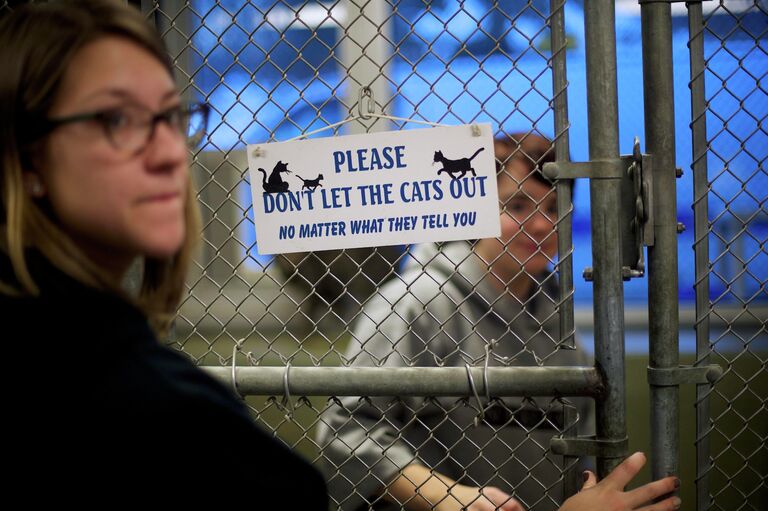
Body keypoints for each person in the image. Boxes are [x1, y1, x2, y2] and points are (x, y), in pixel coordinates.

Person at [0, 0, 327, 505]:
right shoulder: (161, 418)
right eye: (119, 119)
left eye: (171, 116)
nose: (173, 152)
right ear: (25, 156)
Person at [316, 133, 679, 511]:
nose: (541, 225)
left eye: (555, 208)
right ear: (477, 211)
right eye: (518, 205)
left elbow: (579, 438)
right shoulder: (414, 301)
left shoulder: (556, 314)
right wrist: (449, 498)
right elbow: (348, 431)